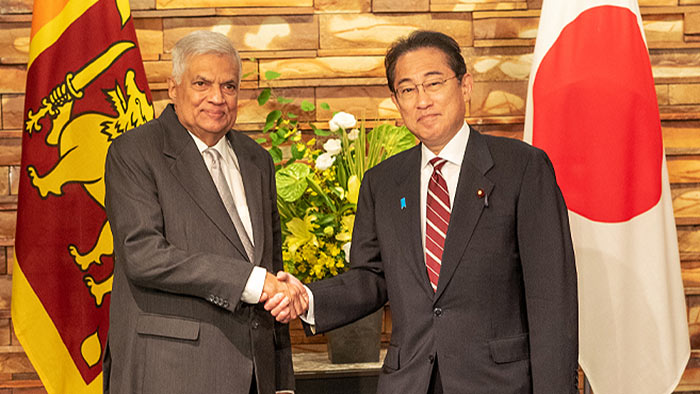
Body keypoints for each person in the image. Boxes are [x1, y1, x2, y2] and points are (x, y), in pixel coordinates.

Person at [268, 30, 578, 394]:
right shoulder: (382, 182)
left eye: (433, 83)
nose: (422, 100)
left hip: (499, 384)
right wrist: (309, 297)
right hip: (409, 382)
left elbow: (551, 298)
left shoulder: (521, 168)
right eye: (408, 89)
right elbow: (372, 277)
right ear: (397, 101)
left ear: (465, 86)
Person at [103, 30, 305, 394]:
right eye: (202, 83)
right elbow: (143, 255)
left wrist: (282, 380)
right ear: (173, 88)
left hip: (257, 378)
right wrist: (249, 282)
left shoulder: (257, 159)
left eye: (229, 86)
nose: (217, 97)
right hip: (171, 373)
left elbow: (272, 273)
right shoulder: (135, 152)